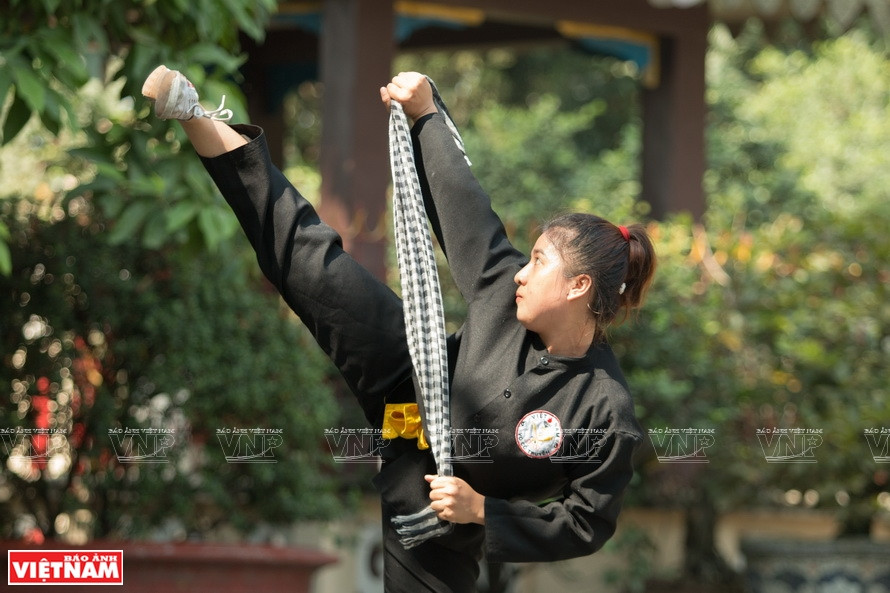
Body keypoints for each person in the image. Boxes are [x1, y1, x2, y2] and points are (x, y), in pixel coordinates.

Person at [142, 66, 656, 592]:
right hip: (406, 381)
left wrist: (483, 511)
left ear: (578, 286)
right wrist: (426, 112)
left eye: (540, 261)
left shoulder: (603, 407)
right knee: (306, 258)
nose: (522, 272)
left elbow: (586, 521)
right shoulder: (505, 289)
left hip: (434, 505)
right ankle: (194, 112)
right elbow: (465, 204)